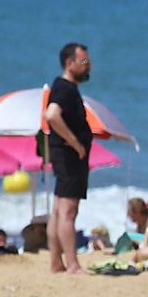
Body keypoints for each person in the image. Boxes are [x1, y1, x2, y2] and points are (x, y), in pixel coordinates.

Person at [44, 42, 93, 275]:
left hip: (65, 155)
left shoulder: (64, 87)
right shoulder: (65, 87)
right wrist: (75, 143)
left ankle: (56, 262)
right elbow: (51, 115)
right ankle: (72, 264)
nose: (88, 66)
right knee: (68, 211)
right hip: (69, 156)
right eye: (84, 62)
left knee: (58, 209)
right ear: (69, 63)